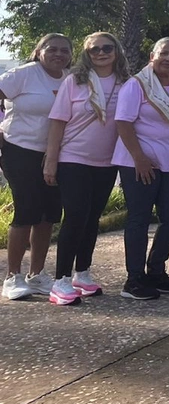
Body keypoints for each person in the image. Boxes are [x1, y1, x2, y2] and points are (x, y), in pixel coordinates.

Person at [42, 32, 128, 303]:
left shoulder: (127, 83)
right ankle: (60, 280)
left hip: (107, 162)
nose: (101, 53)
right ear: (86, 54)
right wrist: (51, 160)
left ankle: (82, 272)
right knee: (76, 216)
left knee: (92, 218)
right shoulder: (74, 81)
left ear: (116, 51)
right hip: (73, 158)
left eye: (107, 48)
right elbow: (57, 122)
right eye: (94, 49)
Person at [113, 37, 169, 300]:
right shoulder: (136, 85)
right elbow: (123, 123)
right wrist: (139, 158)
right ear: (152, 56)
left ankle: (156, 271)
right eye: (164, 53)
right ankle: (134, 279)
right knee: (140, 218)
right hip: (139, 162)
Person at [0, 33, 71, 302]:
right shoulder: (24, 74)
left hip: (55, 154)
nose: (58, 54)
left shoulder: (70, 78)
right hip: (19, 150)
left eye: (64, 50)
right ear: (39, 51)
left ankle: (37, 274)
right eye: (52, 49)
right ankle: (12, 276)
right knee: (26, 210)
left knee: (49, 214)